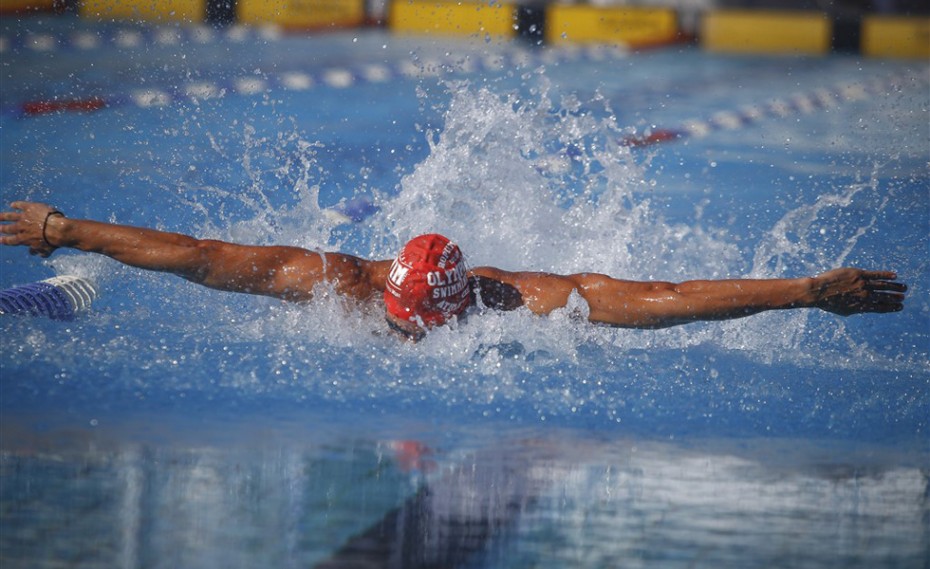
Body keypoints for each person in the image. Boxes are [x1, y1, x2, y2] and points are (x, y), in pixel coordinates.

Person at [0, 201, 907, 340]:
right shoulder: (335, 281)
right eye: (399, 320)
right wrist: (65, 226)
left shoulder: (516, 301)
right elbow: (200, 257)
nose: (402, 335)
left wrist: (804, 290)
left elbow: (658, 298)